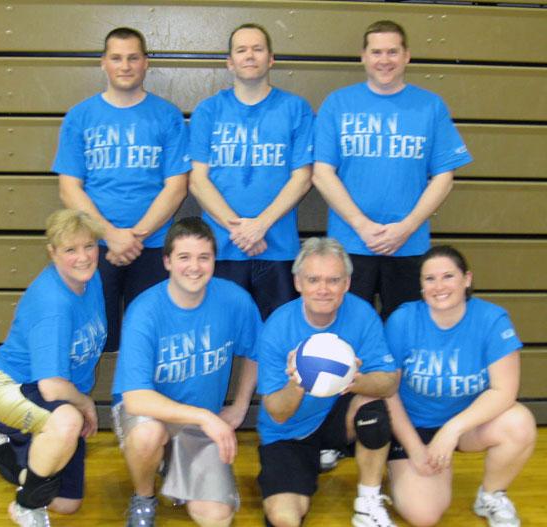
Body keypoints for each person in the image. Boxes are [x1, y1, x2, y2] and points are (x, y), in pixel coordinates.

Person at [313, 20, 473, 321]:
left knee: (404, 334)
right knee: (346, 332)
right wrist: (361, 225)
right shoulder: (338, 104)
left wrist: (407, 227)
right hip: (349, 245)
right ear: (363, 56)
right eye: (376, 52)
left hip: (408, 245)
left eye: (392, 52)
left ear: (406, 55)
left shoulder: (430, 106)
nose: (384, 60)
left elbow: (444, 177)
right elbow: (321, 173)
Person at [111, 217, 262, 527]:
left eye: (203, 257)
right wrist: (205, 417)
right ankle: (144, 498)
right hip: (151, 414)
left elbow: (257, 353)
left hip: (197, 423)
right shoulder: (145, 310)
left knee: (216, 517)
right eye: (184, 257)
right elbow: (137, 399)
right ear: (167, 261)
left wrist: (240, 405)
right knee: (148, 436)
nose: (194, 267)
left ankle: (172, 463)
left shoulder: (235, 300)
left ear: (214, 261)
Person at [0, 209, 107, 527]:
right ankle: (26, 506)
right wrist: (86, 405)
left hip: (53, 393)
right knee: (67, 424)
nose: (83, 257)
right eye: (70, 249)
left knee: (67, 503)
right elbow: (52, 388)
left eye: (89, 246)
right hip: (10, 387)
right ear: (52, 252)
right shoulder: (53, 304)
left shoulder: (92, 279)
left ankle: (0, 451)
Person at [54, 27, 190, 352]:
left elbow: (176, 187)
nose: (125, 66)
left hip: (153, 247)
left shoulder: (167, 116)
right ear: (103, 62)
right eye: (116, 58)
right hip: (94, 248)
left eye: (133, 58)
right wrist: (110, 235)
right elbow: (69, 188)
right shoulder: (80, 117)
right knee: (94, 342)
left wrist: (134, 237)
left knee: (151, 341)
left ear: (145, 62)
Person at [384, 245, 536, 527]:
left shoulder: (491, 320)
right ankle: (400, 469)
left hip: (466, 426)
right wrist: (414, 448)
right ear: (421, 286)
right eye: (430, 279)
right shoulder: (403, 320)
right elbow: (387, 392)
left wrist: (452, 430)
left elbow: (504, 391)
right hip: (415, 428)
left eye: (448, 276)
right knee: (424, 516)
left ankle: (491, 495)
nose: (439, 286)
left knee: (519, 423)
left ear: (466, 279)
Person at [256, 237, 399, 527]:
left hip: (336, 418)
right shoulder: (278, 328)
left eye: (333, 280)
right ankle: (313, 458)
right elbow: (278, 413)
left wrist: (354, 380)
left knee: (373, 410)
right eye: (313, 280)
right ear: (298, 282)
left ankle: (367, 502)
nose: (323, 289)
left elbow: (389, 383)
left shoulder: (362, 314)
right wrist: (298, 381)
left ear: (346, 283)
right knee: (284, 519)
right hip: (291, 432)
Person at [189, 23, 314, 320]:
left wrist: (261, 225)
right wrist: (240, 230)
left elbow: (302, 178)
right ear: (230, 62)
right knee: (223, 334)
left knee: (277, 334)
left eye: (257, 49)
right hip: (221, 248)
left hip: (277, 248)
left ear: (271, 59)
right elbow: (197, 181)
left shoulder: (295, 108)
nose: (250, 55)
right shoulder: (208, 111)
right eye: (241, 50)